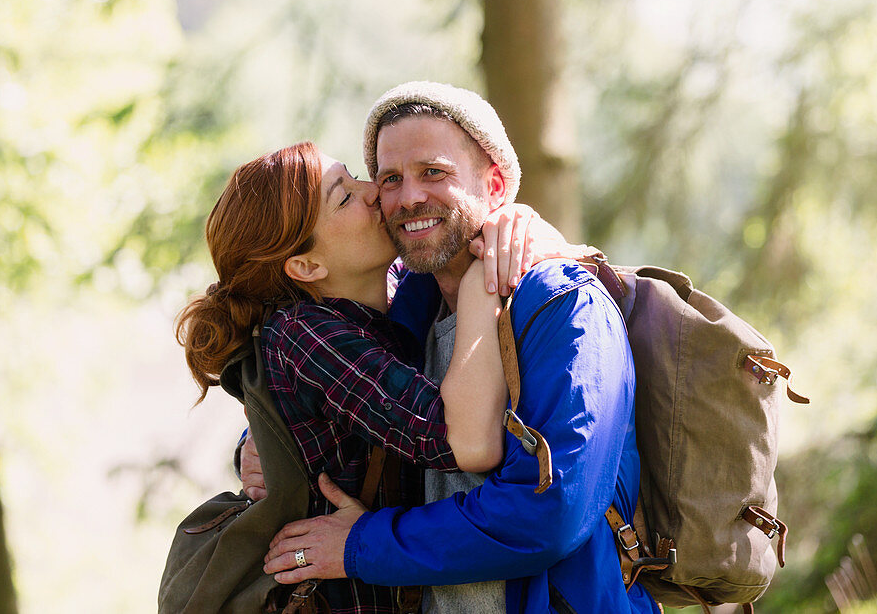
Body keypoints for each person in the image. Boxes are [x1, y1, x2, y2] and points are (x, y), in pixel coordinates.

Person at [260, 82, 657, 613]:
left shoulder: (563, 306)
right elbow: (350, 381)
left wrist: (360, 546)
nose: (407, 197)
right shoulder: (409, 311)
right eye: (390, 179)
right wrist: (258, 442)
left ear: (495, 185)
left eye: (434, 172)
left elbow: (550, 513)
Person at [176, 141, 545, 613]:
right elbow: (463, 442)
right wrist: (482, 282)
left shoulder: (394, 292)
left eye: (354, 177)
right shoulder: (305, 334)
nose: (373, 192)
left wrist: (516, 225)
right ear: (307, 266)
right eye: (344, 197)